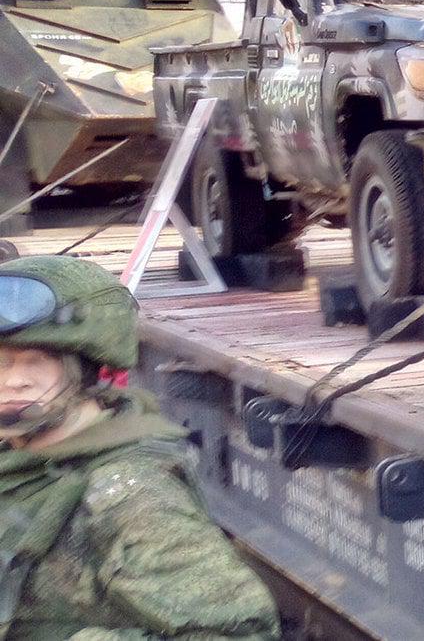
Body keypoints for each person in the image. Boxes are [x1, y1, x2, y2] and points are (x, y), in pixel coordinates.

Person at [0, 255, 279, 641]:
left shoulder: (127, 492)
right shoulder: (18, 457)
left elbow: (238, 633)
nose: (14, 381)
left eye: (37, 361)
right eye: (1, 362)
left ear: (85, 368)